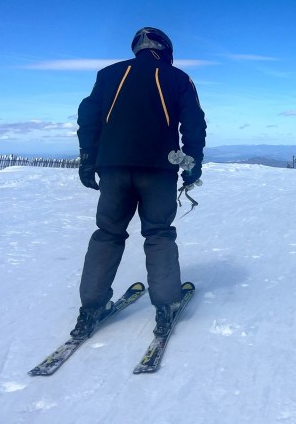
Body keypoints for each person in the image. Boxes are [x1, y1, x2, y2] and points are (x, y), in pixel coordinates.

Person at [73, 27, 206, 339]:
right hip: (159, 169)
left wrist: (87, 158)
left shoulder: (108, 75)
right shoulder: (178, 78)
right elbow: (194, 121)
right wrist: (193, 161)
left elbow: (87, 116)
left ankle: (90, 308)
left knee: (107, 233)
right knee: (158, 234)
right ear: (166, 50)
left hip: (112, 169)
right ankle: (166, 305)